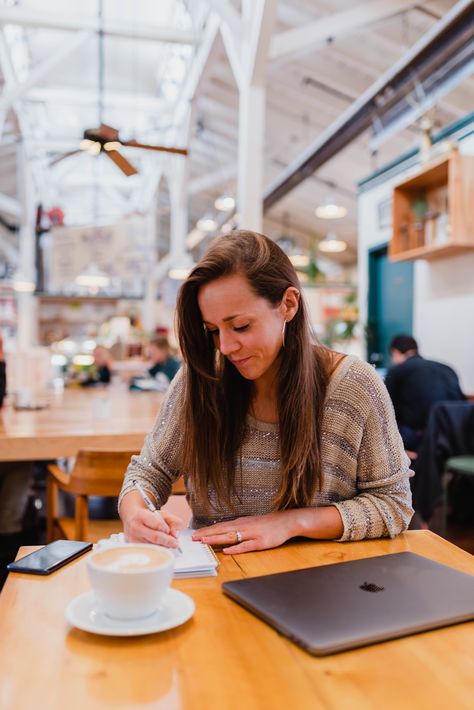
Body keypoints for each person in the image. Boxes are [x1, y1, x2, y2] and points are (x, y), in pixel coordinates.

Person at [119, 231, 413, 554]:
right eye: (214, 331)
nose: (226, 347)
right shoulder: (200, 379)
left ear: (288, 304)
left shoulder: (354, 384)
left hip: (321, 582)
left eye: (241, 326)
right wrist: (135, 512)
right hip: (217, 578)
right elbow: (148, 472)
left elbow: (393, 505)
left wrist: (289, 522)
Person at [385, 334, 465, 451]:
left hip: (421, 440)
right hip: (455, 438)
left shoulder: (398, 371)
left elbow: (387, 411)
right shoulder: (447, 369)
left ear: (395, 352)